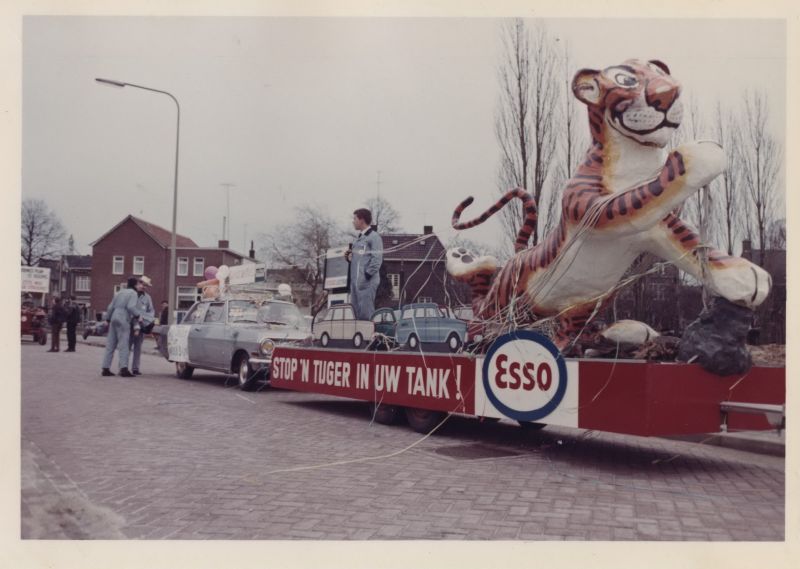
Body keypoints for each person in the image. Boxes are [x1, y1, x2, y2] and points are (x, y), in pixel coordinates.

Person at [101, 277, 144, 377]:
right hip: (123, 317)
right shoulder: (133, 294)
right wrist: (138, 315)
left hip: (114, 316)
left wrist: (107, 319)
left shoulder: (119, 292)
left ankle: (105, 368)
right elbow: (130, 307)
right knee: (124, 344)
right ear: (134, 285)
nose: (139, 286)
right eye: (138, 284)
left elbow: (110, 307)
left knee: (110, 344)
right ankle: (123, 368)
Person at [345, 208, 383, 320]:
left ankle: (366, 337)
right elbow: (359, 260)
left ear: (361, 220)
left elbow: (377, 260)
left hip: (366, 283)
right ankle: (358, 337)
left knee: (366, 315)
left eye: (354, 218)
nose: (353, 221)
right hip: (356, 284)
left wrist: (366, 276)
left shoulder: (374, 237)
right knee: (355, 314)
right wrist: (349, 257)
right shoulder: (358, 240)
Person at [128, 276, 155, 375]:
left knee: (138, 348)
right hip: (129, 324)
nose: (144, 287)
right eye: (143, 285)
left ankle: (135, 368)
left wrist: (148, 320)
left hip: (141, 325)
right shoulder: (131, 294)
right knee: (127, 346)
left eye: (146, 286)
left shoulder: (147, 298)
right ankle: (124, 367)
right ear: (138, 284)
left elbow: (151, 311)